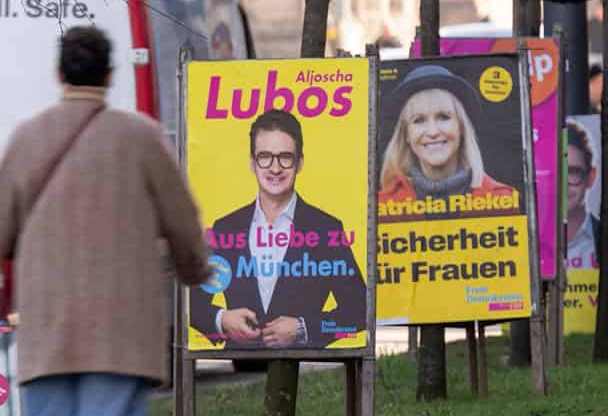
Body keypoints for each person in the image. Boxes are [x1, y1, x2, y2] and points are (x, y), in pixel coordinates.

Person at [0, 25, 209, 416]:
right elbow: (184, 223)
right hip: (121, 329)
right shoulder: (140, 137)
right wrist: (193, 270)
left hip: (46, 325)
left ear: (60, 74)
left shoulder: (28, 138)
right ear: (110, 76)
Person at [188, 109, 366, 349]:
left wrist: (305, 328)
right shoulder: (226, 228)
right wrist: (223, 319)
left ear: (299, 162)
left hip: (305, 371)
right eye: (265, 157)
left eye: (285, 157)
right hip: (242, 371)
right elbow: (193, 305)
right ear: (252, 163)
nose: (275, 168)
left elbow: (359, 309)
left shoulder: (325, 228)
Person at [378, 64, 517, 208]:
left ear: (461, 127)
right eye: (419, 120)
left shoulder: (502, 200)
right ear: (406, 134)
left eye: (443, 117)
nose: (433, 132)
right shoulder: (383, 206)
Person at [564, 120, 608, 270]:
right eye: (557, 172)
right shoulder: (525, 245)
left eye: (573, 172)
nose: (564, 183)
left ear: (591, 177)